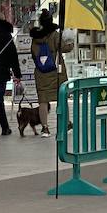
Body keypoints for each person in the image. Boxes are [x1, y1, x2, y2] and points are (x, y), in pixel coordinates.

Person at [29, 9, 73, 138]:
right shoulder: (55, 35)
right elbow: (65, 48)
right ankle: (66, 124)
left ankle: (45, 128)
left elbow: (33, 54)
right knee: (61, 98)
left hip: (41, 73)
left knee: (43, 100)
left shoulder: (35, 38)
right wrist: (71, 43)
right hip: (56, 72)